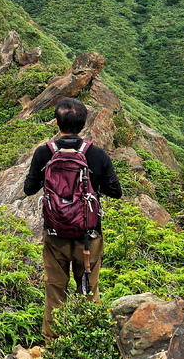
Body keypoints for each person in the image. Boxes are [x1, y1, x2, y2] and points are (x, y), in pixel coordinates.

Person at [22, 97, 122, 339]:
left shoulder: (44, 152)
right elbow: (115, 192)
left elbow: (29, 189)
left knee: (55, 291)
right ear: (84, 123)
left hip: (55, 236)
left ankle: (52, 347)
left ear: (57, 123)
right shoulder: (96, 154)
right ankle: (89, 344)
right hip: (89, 236)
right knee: (88, 290)